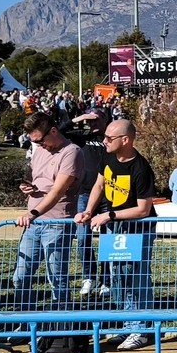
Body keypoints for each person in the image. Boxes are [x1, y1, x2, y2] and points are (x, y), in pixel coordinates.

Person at [74, 119, 159, 351]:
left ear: (126, 140)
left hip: (137, 228)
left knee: (136, 277)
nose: (104, 141)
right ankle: (128, 324)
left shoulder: (141, 168)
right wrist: (89, 211)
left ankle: (141, 329)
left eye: (110, 138)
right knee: (118, 277)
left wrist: (109, 216)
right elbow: (99, 186)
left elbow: (143, 209)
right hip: (115, 227)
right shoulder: (108, 157)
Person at [12, 112, 83, 309]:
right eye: (34, 141)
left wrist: (32, 214)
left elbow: (57, 191)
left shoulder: (71, 152)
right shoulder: (40, 149)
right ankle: (24, 320)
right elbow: (39, 180)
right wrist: (28, 187)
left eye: (40, 140)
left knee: (57, 277)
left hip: (57, 223)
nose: (38, 144)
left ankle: (60, 325)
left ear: (53, 131)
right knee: (20, 276)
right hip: (34, 224)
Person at [70, 107, 111, 296]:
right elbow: (60, 131)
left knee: (107, 239)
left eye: (97, 119)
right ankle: (90, 276)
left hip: (108, 195)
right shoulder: (82, 137)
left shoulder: (111, 137)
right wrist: (82, 118)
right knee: (83, 238)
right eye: (91, 121)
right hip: (85, 194)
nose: (93, 124)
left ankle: (107, 280)